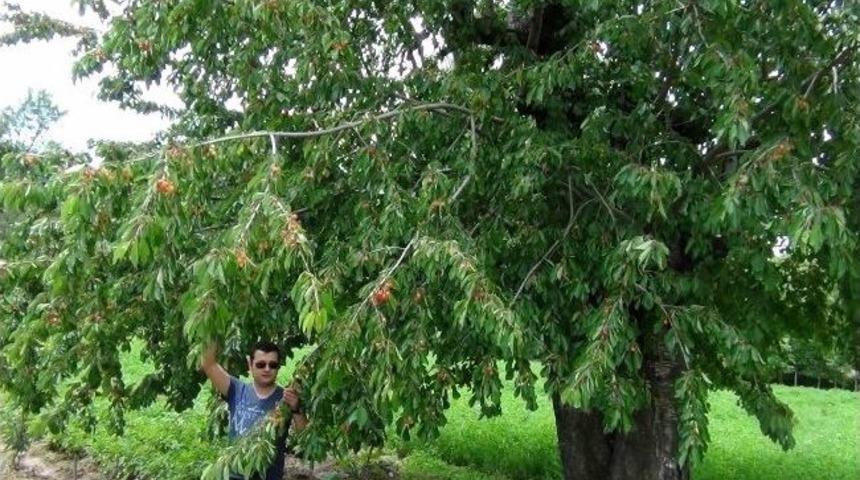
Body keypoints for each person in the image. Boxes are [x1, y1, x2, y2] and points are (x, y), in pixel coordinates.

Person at [201, 340, 308, 480]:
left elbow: (305, 441)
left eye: (273, 365)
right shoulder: (236, 390)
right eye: (261, 364)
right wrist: (211, 323)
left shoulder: (285, 399)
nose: (267, 369)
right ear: (250, 365)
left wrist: (296, 409)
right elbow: (209, 364)